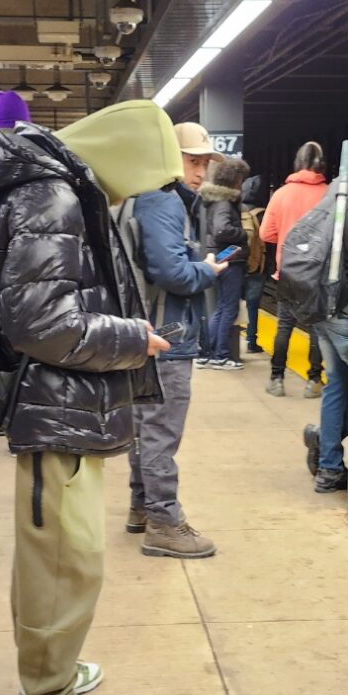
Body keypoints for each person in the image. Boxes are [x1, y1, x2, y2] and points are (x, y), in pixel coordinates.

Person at [0, 100, 177, 695]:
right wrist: (134, 338)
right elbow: (41, 325)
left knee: (61, 553)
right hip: (57, 407)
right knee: (63, 558)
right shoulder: (54, 196)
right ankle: (49, 686)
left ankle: (53, 669)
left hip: (66, 404)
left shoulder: (55, 188)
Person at [125, 122, 227, 558]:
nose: (201, 171)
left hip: (147, 329)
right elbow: (173, 274)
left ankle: (141, 508)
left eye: (205, 162)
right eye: (193, 160)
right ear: (168, 157)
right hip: (169, 332)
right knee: (161, 431)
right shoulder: (164, 203)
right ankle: (164, 523)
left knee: (143, 426)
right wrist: (207, 270)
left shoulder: (142, 197)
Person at [302, 173, 348, 493]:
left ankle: (329, 468)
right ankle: (326, 443)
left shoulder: (335, 191)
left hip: (321, 304)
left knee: (337, 384)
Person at [259, 141, 328, 397]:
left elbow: (266, 233)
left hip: (287, 271)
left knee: (285, 326)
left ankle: (276, 380)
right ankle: (313, 381)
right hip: (318, 272)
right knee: (316, 329)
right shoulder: (329, 194)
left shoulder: (281, 194)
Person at [197, 157, 250, 370]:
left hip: (222, 258)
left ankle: (207, 354)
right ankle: (220, 355)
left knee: (221, 308)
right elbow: (221, 230)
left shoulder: (217, 200)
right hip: (230, 259)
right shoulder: (224, 203)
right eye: (241, 179)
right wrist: (243, 234)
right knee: (228, 308)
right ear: (234, 179)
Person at [240, 174, 269, 354]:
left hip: (238, 265)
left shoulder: (238, 211)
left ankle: (229, 340)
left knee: (231, 304)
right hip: (257, 267)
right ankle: (252, 341)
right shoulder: (264, 213)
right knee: (252, 305)